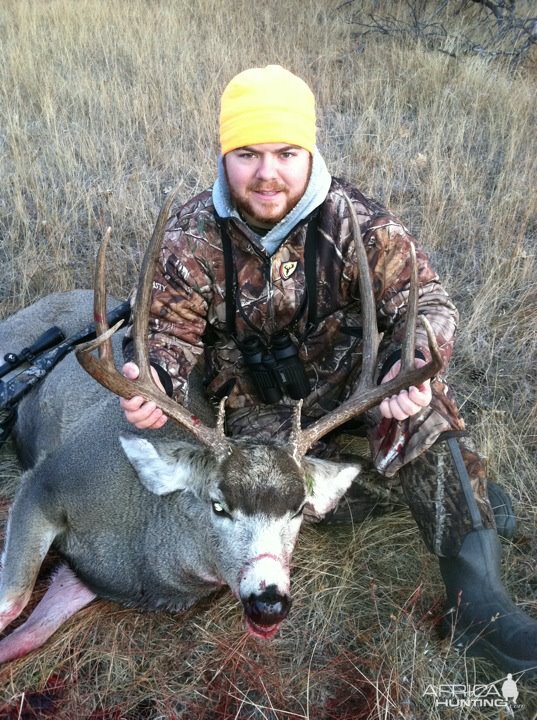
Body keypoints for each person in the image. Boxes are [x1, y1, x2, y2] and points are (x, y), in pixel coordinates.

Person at [121, 65, 537, 674]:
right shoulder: (189, 238)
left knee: (424, 420)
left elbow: (432, 305)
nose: (267, 172)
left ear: (309, 150)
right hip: (252, 428)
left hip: (353, 402)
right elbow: (165, 331)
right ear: (224, 155)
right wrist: (153, 375)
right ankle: (453, 494)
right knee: (261, 496)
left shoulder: (359, 225)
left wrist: (410, 360)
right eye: (247, 153)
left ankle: (482, 610)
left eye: (286, 152)